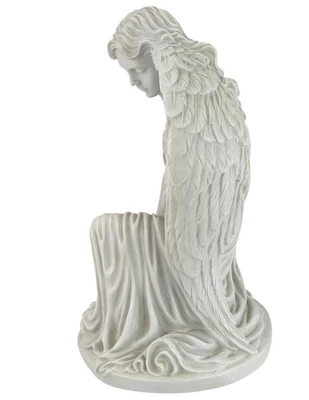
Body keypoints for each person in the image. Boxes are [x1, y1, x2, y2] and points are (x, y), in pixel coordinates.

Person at [78, 6, 270, 389]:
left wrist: (187, 262)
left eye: (138, 70)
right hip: (184, 243)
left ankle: (181, 317)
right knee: (110, 231)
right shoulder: (203, 105)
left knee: (105, 232)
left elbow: (195, 224)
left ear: (160, 58)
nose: (133, 81)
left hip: (189, 261)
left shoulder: (193, 124)